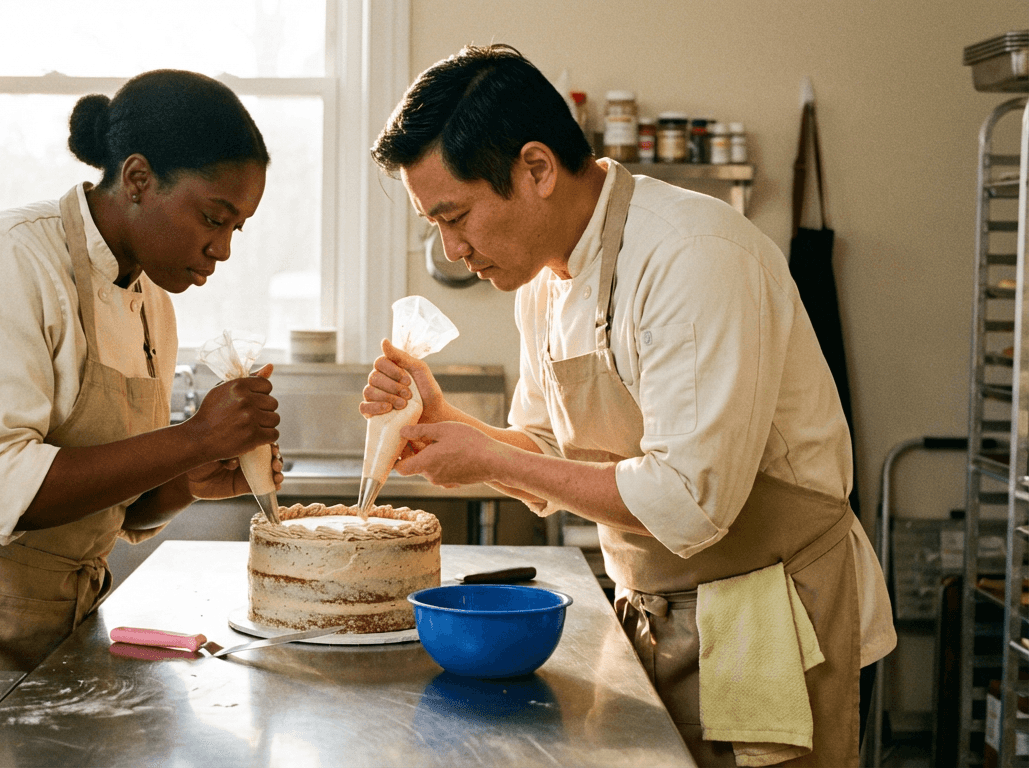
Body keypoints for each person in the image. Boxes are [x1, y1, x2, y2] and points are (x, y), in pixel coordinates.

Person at [365, 45, 895, 766]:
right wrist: (448, 424)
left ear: (537, 169)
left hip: (771, 616)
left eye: (454, 216)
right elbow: (546, 448)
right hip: (650, 606)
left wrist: (489, 458)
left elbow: (688, 501)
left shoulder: (692, 254)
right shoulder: (543, 283)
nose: (452, 248)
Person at [0, 70, 281, 672]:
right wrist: (194, 439)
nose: (223, 249)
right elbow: (3, 488)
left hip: (44, 613)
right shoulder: (5, 259)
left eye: (236, 228)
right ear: (138, 179)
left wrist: (189, 478)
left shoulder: (152, 306)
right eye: (214, 219)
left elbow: (116, 508)